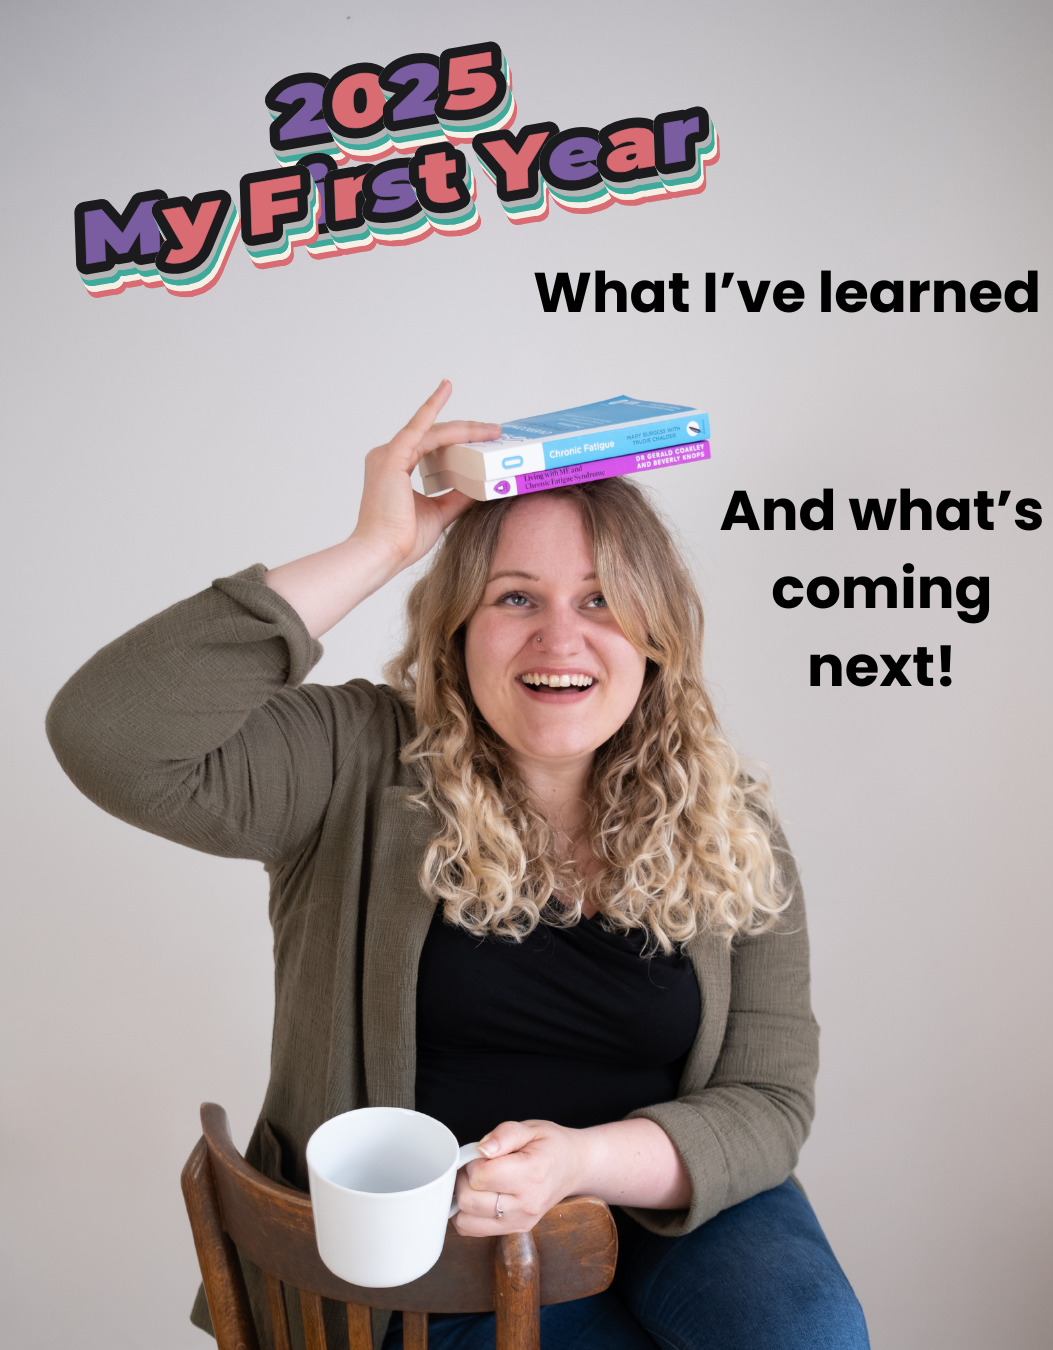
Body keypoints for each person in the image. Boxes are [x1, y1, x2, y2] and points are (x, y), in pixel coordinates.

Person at [47, 383, 869, 1349]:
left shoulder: (728, 819)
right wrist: (376, 548)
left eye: (602, 600)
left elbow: (769, 1100)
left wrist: (580, 1163)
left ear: (656, 637)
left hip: (659, 1196)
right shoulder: (355, 763)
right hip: (426, 1246)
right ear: (457, 628)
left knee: (808, 1334)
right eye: (516, 597)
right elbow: (109, 734)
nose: (560, 639)